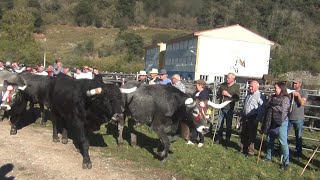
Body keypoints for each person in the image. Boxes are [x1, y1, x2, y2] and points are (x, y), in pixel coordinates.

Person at [262, 81, 290, 170]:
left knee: (283, 142)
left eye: (276, 88)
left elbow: (283, 110)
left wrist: (272, 106)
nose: (274, 89)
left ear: (281, 88)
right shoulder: (272, 97)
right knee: (270, 139)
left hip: (281, 122)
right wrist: (270, 105)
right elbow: (266, 105)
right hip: (271, 120)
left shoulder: (286, 98)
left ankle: (286, 162)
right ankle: (268, 156)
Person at [239, 80, 265, 156]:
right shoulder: (248, 95)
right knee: (244, 133)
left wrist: (258, 119)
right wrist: (241, 114)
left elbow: (261, 109)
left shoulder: (260, 96)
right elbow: (245, 105)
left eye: (251, 86)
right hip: (245, 116)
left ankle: (251, 151)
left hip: (253, 117)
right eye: (249, 86)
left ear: (257, 87)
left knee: (251, 134)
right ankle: (243, 148)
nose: (250, 88)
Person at [216, 72, 240, 145]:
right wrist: (221, 94)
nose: (227, 79)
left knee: (228, 125)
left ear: (233, 79)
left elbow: (236, 98)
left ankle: (227, 139)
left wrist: (228, 95)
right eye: (227, 77)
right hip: (221, 108)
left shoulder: (236, 87)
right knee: (219, 124)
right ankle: (219, 138)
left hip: (229, 108)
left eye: (229, 78)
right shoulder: (223, 85)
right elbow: (218, 94)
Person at [288, 78, 307, 157]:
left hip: (298, 118)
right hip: (288, 117)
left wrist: (298, 95)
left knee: (298, 136)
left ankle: (298, 152)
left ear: (300, 84)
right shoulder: (290, 91)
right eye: (293, 83)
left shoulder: (304, 92)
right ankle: (283, 149)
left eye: (295, 83)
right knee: (284, 134)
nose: (294, 84)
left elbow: (302, 103)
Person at [188, 79, 210, 147]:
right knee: (194, 125)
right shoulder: (196, 92)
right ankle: (193, 139)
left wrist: (195, 98)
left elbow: (202, 100)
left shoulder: (205, 92)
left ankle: (201, 141)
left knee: (201, 125)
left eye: (197, 84)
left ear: (200, 85)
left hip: (202, 112)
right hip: (195, 111)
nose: (196, 86)